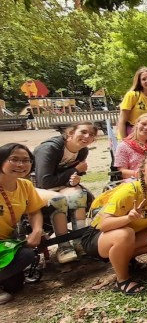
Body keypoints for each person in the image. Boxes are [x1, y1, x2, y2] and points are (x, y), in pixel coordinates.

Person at [80, 154, 147, 295]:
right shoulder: (129, 191)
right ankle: (122, 280)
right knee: (125, 233)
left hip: (128, 236)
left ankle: (125, 259)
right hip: (98, 237)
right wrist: (128, 218)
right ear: (142, 170)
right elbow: (104, 225)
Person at [33, 122, 98, 263]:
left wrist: (73, 180)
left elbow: (71, 175)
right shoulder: (50, 149)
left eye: (91, 135)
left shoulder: (82, 150)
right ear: (70, 133)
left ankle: (80, 241)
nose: (87, 136)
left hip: (60, 185)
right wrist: (75, 171)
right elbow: (44, 182)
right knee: (58, 200)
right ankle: (63, 246)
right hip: (37, 188)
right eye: (83, 132)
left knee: (79, 195)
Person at [0, 144, 44, 304]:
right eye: (14, 159)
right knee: (26, 255)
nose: (20, 165)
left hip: (5, 244)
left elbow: (34, 211)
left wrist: (37, 230)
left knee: (15, 286)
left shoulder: (25, 185)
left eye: (26, 160)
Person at [117, 67, 147, 140]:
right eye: (144, 79)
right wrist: (125, 142)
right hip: (131, 138)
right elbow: (122, 121)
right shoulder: (132, 95)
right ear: (140, 82)